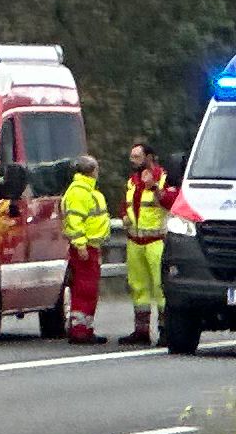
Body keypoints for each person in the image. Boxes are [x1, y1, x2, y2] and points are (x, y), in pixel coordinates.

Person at [119, 140, 172, 345]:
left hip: (156, 241)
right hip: (135, 241)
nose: (133, 161)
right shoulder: (132, 181)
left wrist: (155, 188)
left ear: (149, 158)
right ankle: (140, 331)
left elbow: (170, 202)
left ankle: (165, 330)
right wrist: (123, 215)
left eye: (137, 157)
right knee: (138, 286)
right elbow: (126, 204)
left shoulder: (164, 177)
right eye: (131, 157)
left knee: (160, 287)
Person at [60, 154, 112, 343]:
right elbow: (75, 222)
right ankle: (79, 330)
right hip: (85, 248)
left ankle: (85, 328)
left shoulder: (86, 190)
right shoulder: (79, 192)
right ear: (92, 171)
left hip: (91, 246)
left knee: (89, 288)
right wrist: (81, 245)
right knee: (84, 288)